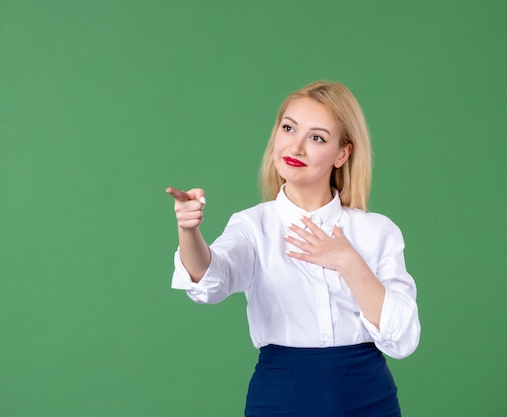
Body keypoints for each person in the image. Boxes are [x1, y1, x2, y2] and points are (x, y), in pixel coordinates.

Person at [166, 81, 420, 417]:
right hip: (280, 398)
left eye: (316, 137)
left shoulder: (377, 231)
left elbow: (402, 338)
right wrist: (189, 230)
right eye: (288, 128)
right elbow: (209, 278)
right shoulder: (253, 226)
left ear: (342, 153)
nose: (296, 147)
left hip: (368, 397)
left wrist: (347, 260)